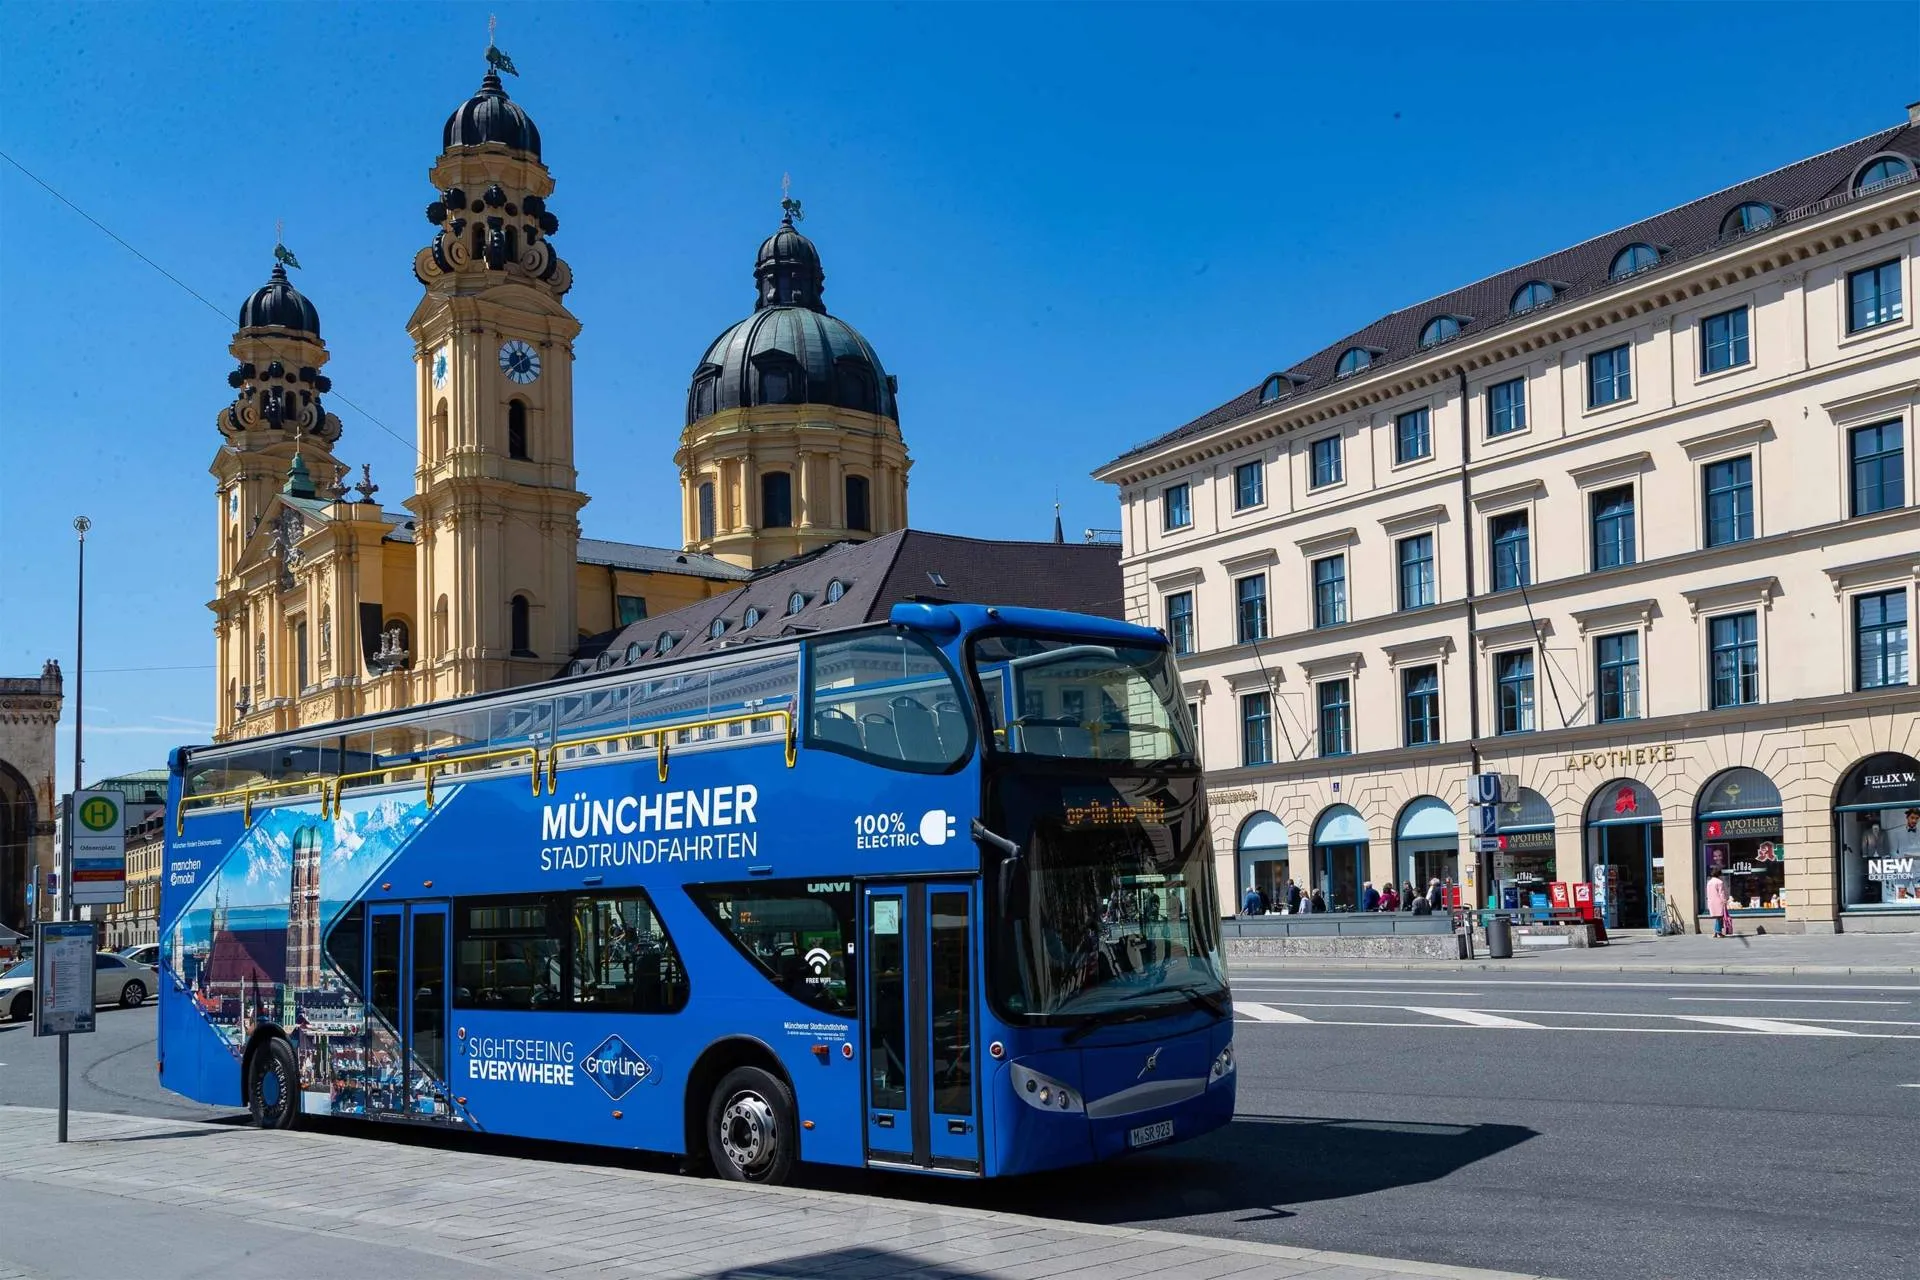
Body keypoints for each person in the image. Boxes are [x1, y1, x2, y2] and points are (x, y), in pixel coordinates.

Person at [1705, 872, 1733, 938]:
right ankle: (1718, 932)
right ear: (1718, 875)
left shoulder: (1709, 882)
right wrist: (1724, 901)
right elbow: (1721, 893)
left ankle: (1716, 933)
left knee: (1718, 917)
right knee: (1720, 917)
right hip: (1719, 902)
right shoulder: (1719, 882)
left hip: (1711, 901)